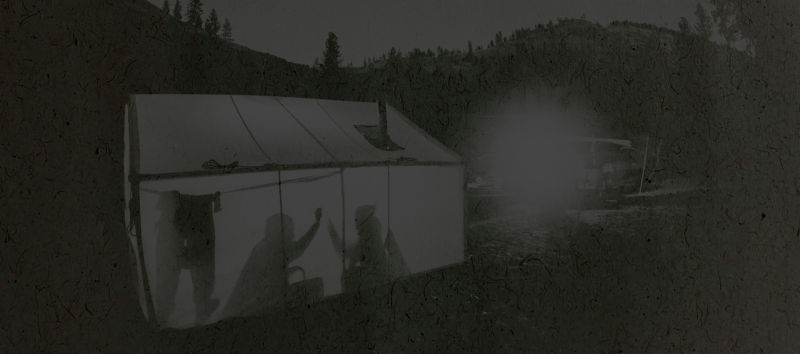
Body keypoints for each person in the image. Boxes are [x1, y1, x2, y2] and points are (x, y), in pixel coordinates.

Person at [223, 208, 322, 318]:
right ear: (280, 230)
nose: (293, 235)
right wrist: (316, 224)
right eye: (290, 230)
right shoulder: (272, 247)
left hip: (253, 305)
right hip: (257, 307)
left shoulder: (263, 246)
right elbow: (298, 248)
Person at [327, 205, 391, 293]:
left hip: (375, 284)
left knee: (347, 276)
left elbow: (345, 252)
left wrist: (332, 233)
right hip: (380, 281)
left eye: (356, 219)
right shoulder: (372, 234)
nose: (355, 223)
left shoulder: (367, 237)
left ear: (362, 219)